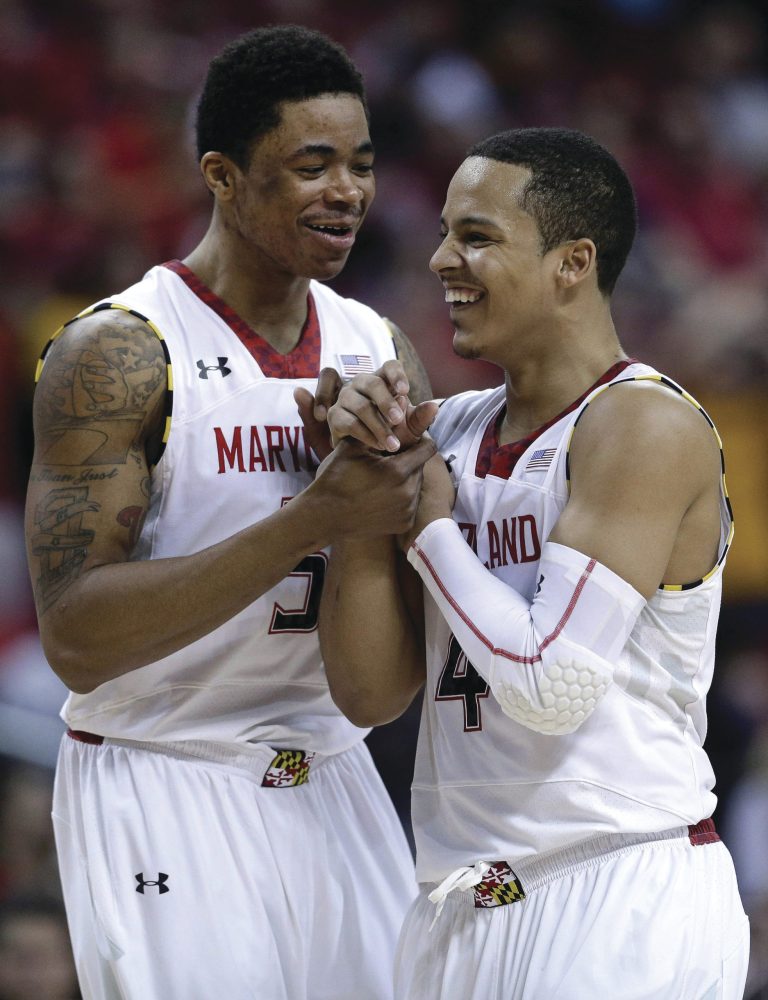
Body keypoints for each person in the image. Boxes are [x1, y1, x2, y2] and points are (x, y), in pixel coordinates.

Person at [24, 24, 437, 1000]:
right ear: (222, 175)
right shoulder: (121, 351)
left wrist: (370, 500)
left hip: (330, 768)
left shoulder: (377, 345)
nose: (348, 192)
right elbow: (77, 640)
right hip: (164, 768)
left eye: (362, 165)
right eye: (312, 165)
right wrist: (309, 517)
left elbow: (378, 696)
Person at [319, 127, 750, 998]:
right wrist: (361, 488)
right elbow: (368, 696)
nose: (442, 258)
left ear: (572, 262)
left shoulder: (642, 424)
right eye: (444, 232)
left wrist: (432, 529)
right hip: (459, 900)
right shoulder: (446, 431)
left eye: (476, 236)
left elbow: (553, 689)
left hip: (617, 895)